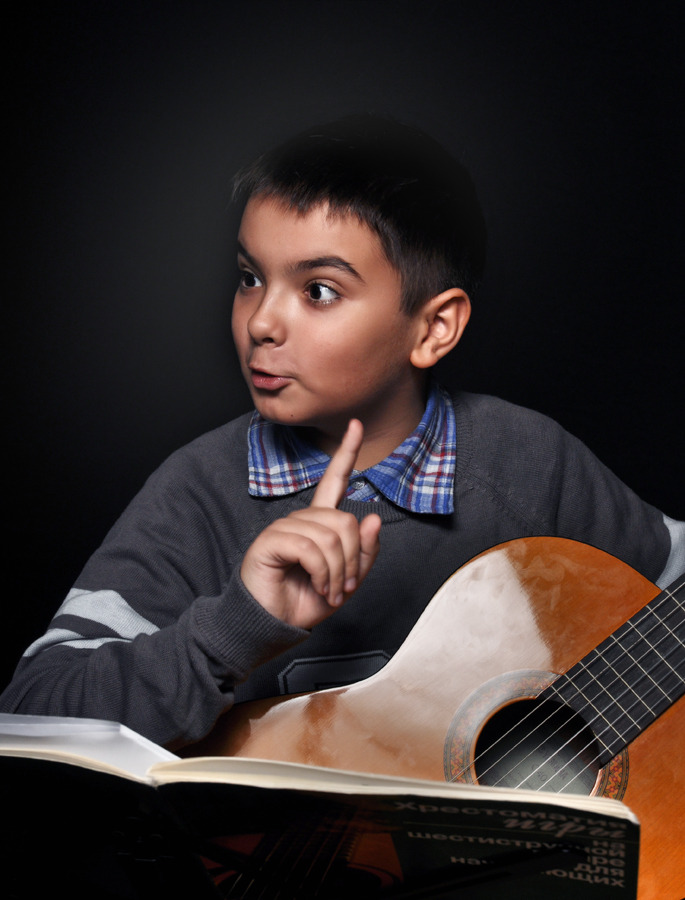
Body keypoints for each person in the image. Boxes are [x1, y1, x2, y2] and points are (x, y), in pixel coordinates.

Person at [1, 115, 682, 750]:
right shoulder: (197, 491)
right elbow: (31, 714)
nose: (260, 322)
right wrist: (234, 628)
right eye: (248, 278)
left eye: (318, 290)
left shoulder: (527, 461)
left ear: (432, 327)